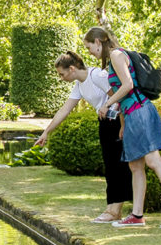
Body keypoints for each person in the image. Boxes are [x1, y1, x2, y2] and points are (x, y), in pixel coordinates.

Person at [85, 27, 161, 229]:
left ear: (98, 42)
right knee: (135, 165)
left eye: (89, 47)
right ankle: (137, 215)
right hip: (131, 114)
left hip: (140, 112)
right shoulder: (116, 56)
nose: (90, 52)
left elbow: (128, 85)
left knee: (153, 160)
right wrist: (120, 115)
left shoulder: (115, 54)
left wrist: (107, 103)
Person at [37, 51, 134, 223]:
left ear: (72, 68)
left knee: (117, 166)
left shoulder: (96, 75)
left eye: (62, 74)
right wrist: (46, 131)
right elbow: (64, 110)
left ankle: (115, 210)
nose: (61, 78)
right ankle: (111, 208)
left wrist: (123, 125)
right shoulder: (80, 85)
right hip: (105, 122)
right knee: (110, 166)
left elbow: (119, 97)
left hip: (116, 122)